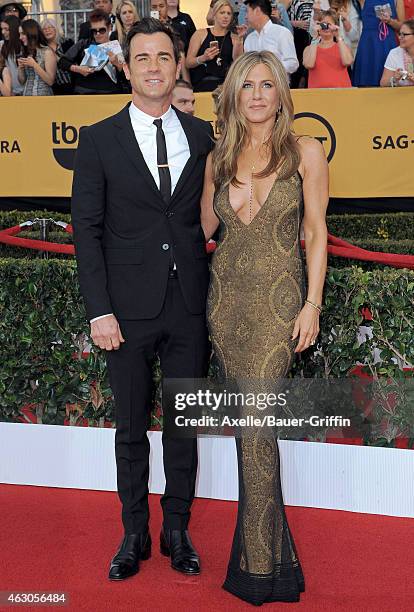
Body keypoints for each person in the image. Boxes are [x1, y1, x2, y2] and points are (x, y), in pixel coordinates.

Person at [71, 17, 214, 582]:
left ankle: (177, 530)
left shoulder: (202, 137)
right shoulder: (99, 139)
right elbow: (87, 230)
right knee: (130, 427)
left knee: (184, 426)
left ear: (177, 65)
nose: (154, 67)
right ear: (126, 68)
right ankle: (134, 534)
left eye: (164, 57)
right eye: (143, 58)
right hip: (124, 311)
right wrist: (98, 309)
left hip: (188, 306)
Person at [200, 50, 328, 605]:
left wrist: (313, 305)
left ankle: (257, 573)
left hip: (280, 306)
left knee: (256, 433)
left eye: (266, 84)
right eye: (246, 85)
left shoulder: (306, 151)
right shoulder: (218, 158)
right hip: (226, 308)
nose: (256, 94)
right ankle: (276, 565)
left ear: (281, 93)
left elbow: (318, 233)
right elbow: (203, 227)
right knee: (254, 435)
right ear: (234, 94)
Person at [186, 0, 244, 92]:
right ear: (214, 14)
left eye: (229, 14)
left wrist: (239, 41)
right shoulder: (200, 34)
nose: (226, 16)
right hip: (202, 85)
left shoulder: (234, 36)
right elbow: (188, 62)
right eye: (222, 13)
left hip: (225, 86)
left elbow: (238, 62)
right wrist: (203, 58)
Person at [59, 10, 121, 95]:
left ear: (110, 27)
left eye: (102, 30)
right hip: (84, 93)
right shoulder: (83, 44)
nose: (98, 34)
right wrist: (78, 69)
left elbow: (127, 76)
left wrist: (117, 64)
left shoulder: (117, 47)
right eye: (94, 31)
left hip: (110, 94)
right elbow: (62, 62)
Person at [352, 0, 406, 86]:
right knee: (366, 81)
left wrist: (390, 21)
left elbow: (403, 27)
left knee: (389, 79)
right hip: (368, 44)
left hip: (387, 43)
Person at [243, 0, 299, 78]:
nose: (245, 16)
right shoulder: (249, 39)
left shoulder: (282, 33)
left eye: (247, 12)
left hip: (278, 86)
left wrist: (269, 68)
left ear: (257, 11)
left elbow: (293, 64)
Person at [303, 9, 353, 87]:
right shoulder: (309, 49)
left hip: (342, 93)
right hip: (317, 95)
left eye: (329, 24)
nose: (326, 27)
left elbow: (347, 62)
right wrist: (315, 37)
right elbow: (309, 64)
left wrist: (338, 36)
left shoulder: (343, 47)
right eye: (323, 25)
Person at [17, 19, 56, 96]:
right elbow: (22, 81)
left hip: (43, 98)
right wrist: (20, 68)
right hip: (26, 97)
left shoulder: (47, 52)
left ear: (31, 33)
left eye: (22, 34)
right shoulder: (26, 52)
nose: (20, 37)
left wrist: (34, 65)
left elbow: (50, 81)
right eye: (19, 34)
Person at [40, 18, 74, 95]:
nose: (47, 30)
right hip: (52, 87)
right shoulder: (41, 48)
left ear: (56, 29)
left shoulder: (67, 43)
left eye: (50, 27)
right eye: (44, 29)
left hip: (71, 84)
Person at [380, 18, 414, 85]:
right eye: (399, 34)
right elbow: (383, 83)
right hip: (402, 94)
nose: (399, 37)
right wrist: (395, 79)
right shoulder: (394, 53)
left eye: (404, 34)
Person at [0, 15, 23, 95]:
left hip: (26, 92)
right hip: (9, 92)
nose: (3, 32)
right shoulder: (1, 45)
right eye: (2, 29)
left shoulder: (23, 46)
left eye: (6, 29)